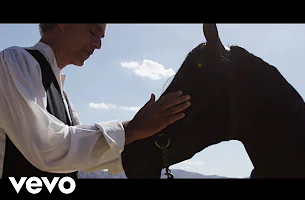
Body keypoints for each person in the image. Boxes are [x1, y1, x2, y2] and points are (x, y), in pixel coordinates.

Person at [0, 23, 191, 178]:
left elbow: (80, 156)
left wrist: (152, 138)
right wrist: (131, 128)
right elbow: (46, 147)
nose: (98, 44)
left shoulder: (64, 97)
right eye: (93, 31)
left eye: (101, 37)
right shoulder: (14, 61)